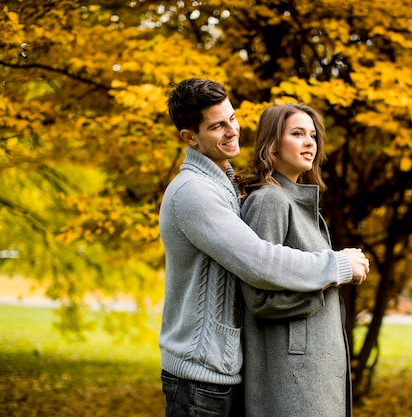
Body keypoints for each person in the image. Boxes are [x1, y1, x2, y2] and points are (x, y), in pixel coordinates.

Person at [158, 78, 370, 417]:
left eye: (232, 118)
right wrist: (337, 267)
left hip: (223, 370)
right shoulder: (194, 192)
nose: (232, 131)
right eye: (217, 126)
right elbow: (260, 261)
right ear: (189, 137)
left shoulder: (225, 187)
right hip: (199, 375)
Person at [238, 103, 364, 417]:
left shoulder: (302, 205)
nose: (310, 142)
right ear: (272, 144)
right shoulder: (269, 201)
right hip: (290, 381)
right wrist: (333, 277)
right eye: (297, 134)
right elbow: (261, 298)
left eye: (312, 135)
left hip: (311, 375)